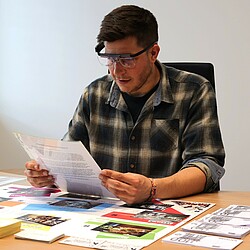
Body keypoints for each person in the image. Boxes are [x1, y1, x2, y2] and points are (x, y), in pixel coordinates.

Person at [24, 5, 225, 204]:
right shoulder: (94, 93)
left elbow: (207, 165)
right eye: (110, 59)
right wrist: (47, 174)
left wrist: (152, 189)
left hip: (167, 211)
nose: (116, 71)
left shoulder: (194, 91)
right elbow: (69, 157)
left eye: (127, 60)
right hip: (103, 214)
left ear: (153, 53)